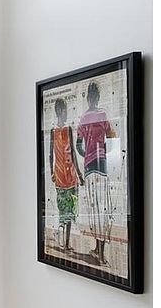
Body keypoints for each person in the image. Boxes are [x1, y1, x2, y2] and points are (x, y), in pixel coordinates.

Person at [75, 81, 118, 265]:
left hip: (90, 166)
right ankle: (99, 251)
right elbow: (113, 136)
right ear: (97, 97)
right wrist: (104, 152)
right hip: (101, 165)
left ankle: (99, 251)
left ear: (88, 98)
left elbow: (78, 145)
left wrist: (88, 155)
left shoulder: (83, 118)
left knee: (95, 209)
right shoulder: (102, 115)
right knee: (103, 208)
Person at [49, 98, 81, 254]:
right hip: (66, 176)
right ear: (61, 111)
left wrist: (51, 173)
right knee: (67, 212)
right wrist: (79, 174)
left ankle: (65, 243)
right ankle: (65, 243)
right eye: (66, 110)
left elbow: (50, 155)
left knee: (65, 212)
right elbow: (73, 152)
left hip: (63, 176)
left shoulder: (55, 130)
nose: (67, 113)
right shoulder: (63, 130)